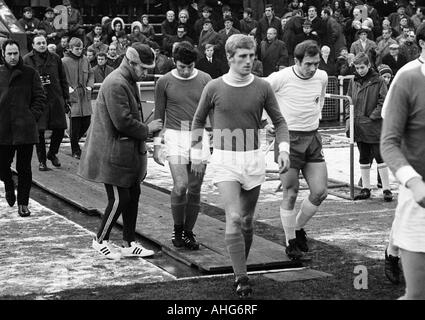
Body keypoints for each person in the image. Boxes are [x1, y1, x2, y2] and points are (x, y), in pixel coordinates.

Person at [191, 34, 290, 297]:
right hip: (225, 160)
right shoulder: (213, 87)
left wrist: (284, 150)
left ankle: (240, 266)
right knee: (233, 217)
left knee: (247, 221)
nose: (249, 61)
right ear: (230, 57)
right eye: (243, 57)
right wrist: (198, 151)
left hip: (253, 159)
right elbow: (198, 121)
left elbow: (279, 122)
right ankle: (241, 278)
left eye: (252, 56)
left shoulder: (263, 87)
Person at [77, 43, 163, 260]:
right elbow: (122, 122)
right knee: (119, 199)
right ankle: (100, 240)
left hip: (124, 152)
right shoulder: (116, 82)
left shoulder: (127, 80)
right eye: (142, 68)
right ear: (131, 63)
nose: (145, 73)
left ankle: (129, 242)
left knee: (133, 195)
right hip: (111, 153)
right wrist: (147, 129)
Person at [265, 40, 328, 260]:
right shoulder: (280, 78)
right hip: (288, 140)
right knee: (290, 193)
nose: (312, 69)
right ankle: (290, 242)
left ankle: (298, 228)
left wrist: (315, 117)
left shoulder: (321, 76)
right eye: (308, 64)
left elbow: (319, 100)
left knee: (320, 192)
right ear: (296, 61)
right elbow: (259, 95)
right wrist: (267, 122)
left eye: (316, 64)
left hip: (312, 137)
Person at [153, 41, 212, 251]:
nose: (186, 71)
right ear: (174, 62)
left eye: (189, 67)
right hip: (174, 136)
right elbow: (159, 116)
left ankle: (188, 232)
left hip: (198, 135)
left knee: (195, 189)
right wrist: (157, 144)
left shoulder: (206, 79)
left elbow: (213, 112)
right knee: (181, 185)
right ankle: (177, 230)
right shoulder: (164, 82)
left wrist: (214, 137)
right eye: (181, 67)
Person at [380, 52, 425, 300]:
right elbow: (389, 142)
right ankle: (392, 253)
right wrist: (414, 181)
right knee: (418, 295)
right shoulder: (408, 78)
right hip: (418, 199)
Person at [0, 39, 45, 217]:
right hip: (3, 129)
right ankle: (9, 185)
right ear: (3, 54)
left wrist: (30, 116)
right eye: (9, 53)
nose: (12, 57)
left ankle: (23, 203)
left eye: (15, 53)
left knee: (24, 168)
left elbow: (40, 97)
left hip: (25, 129)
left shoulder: (30, 73)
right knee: (2, 165)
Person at [345, 52, 392, 202]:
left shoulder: (378, 81)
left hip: (373, 125)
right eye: (357, 68)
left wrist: (373, 116)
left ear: (369, 65)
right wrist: (349, 117)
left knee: (379, 156)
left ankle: (386, 188)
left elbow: (383, 101)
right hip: (358, 124)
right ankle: (366, 188)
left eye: (362, 67)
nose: (360, 70)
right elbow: (348, 100)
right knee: (363, 157)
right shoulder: (353, 81)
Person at [23, 34, 69, 172]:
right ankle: (42, 161)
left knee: (60, 128)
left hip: (55, 99)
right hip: (38, 101)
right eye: (39, 43)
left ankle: (52, 153)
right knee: (40, 132)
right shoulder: (27, 60)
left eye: (43, 42)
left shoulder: (55, 58)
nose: (42, 45)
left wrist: (66, 98)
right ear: (33, 45)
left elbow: (63, 78)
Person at [62, 37, 94, 159]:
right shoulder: (64, 61)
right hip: (72, 96)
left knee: (86, 122)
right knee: (75, 125)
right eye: (77, 49)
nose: (80, 51)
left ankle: (74, 143)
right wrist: (68, 90)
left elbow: (91, 74)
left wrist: (90, 86)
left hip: (84, 95)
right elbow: (61, 78)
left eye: (81, 48)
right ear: (70, 48)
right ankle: (75, 149)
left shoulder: (85, 60)